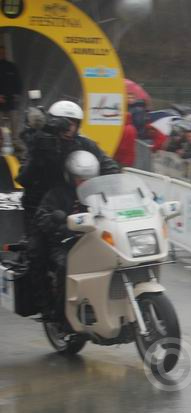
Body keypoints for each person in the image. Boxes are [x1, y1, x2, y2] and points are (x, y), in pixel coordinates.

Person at [17, 100, 118, 232]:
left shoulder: (84, 144)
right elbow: (24, 178)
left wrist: (114, 187)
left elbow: (110, 168)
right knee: (37, 245)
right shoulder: (40, 143)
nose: (69, 127)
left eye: (74, 123)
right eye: (65, 123)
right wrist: (37, 153)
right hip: (40, 204)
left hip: (73, 202)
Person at [28, 150, 99, 320]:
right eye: (81, 179)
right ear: (71, 177)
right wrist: (60, 223)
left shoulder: (98, 195)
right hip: (65, 243)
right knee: (67, 267)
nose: (84, 183)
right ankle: (61, 314)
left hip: (93, 242)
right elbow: (43, 216)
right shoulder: (58, 194)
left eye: (88, 180)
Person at [0, 43, 22, 148]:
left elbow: (18, 82)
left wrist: (17, 95)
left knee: (14, 123)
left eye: (3, 53)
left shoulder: (11, 66)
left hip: (11, 102)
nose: (1, 54)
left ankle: (15, 143)